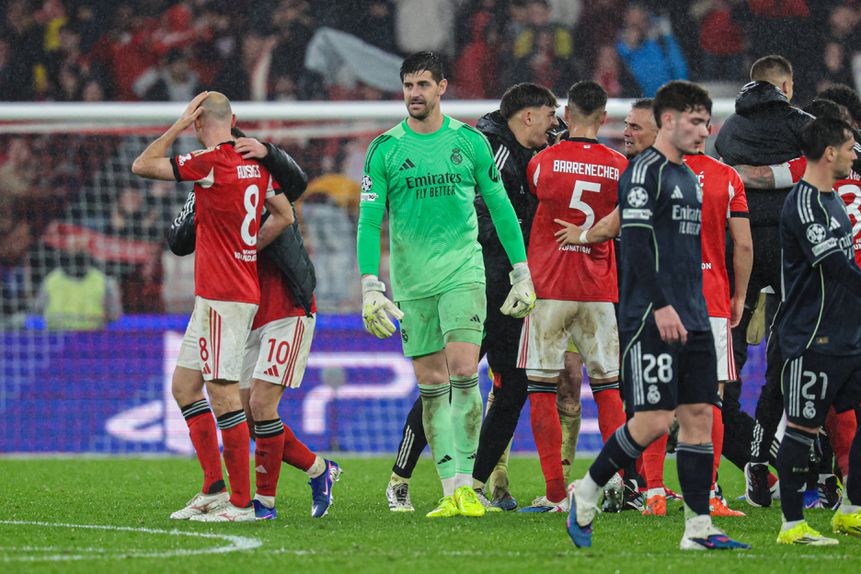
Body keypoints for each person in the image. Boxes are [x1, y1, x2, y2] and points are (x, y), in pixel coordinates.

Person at [565, 80, 749, 550]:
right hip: (652, 316)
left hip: (694, 314)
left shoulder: (689, 177)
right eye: (695, 120)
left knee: (699, 416)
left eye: (706, 120)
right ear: (668, 121)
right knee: (651, 420)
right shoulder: (643, 172)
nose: (705, 129)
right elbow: (639, 244)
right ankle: (586, 491)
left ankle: (698, 529)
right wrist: (663, 305)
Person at [357, 51, 536, 518]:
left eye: (423, 84)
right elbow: (369, 220)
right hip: (413, 285)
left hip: (464, 273)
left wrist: (521, 271)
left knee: (463, 374)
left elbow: (501, 209)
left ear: (442, 87)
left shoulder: (469, 143)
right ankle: (449, 488)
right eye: (408, 85)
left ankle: (466, 489)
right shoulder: (385, 149)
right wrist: (370, 285)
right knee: (432, 386)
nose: (414, 93)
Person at [385, 82, 561, 513]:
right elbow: (479, 214)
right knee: (443, 382)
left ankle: (476, 482)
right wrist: (512, 254)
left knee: (513, 385)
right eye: (550, 114)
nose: (555, 123)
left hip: (510, 293)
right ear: (528, 116)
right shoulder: (492, 150)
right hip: (475, 286)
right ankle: (400, 477)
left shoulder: (530, 152)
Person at [131, 91, 294, 522]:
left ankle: (242, 503)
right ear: (233, 118)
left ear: (200, 122)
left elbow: (143, 164)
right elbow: (285, 215)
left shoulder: (209, 161)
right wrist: (248, 248)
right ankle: (214, 487)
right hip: (225, 293)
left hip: (223, 297)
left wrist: (178, 125)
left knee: (224, 397)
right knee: (185, 387)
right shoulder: (257, 164)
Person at [167, 129, 341, 521]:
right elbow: (178, 240)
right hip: (245, 314)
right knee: (246, 412)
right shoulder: (212, 184)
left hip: (287, 310)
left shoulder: (266, 181)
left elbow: (296, 188)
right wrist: (197, 197)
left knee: (261, 404)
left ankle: (263, 504)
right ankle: (317, 469)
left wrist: (269, 151)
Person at [517, 80, 628, 512]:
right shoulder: (620, 165)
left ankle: (554, 492)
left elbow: (537, 193)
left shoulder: (542, 162)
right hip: (598, 288)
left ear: (565, 113)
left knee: (542, 389)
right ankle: (616, 484)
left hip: (549, 286)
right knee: (608, 388)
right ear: (604, 117)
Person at [714, 55, 815, 507]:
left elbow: (725, 177)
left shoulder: (731, 130)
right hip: (796, 249)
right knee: (801, 356)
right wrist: (787, 174)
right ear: (787, 86)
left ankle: (752, 463)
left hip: (739, 250)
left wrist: (753, 177)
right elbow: (839, 161)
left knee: (725, 373)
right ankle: (820, 472)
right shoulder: (804, 125)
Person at [773, 117, 861, 545]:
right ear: (829, 152)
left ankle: (851, 509)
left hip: (847, 338)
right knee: (802, 430)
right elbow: (834, 267)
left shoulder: (832, 200)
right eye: (849, 147)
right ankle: (792, 525)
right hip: (814, 339)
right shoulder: (804, 203)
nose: (853, 155)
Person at [34, 235, 122, 331]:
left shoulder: (104, 282)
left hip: (91, 340)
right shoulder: (51, 280)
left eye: (80, 248)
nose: (77, 252)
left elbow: (114, 315)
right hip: (57, 339)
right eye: (74, 248)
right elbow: (37, 311)